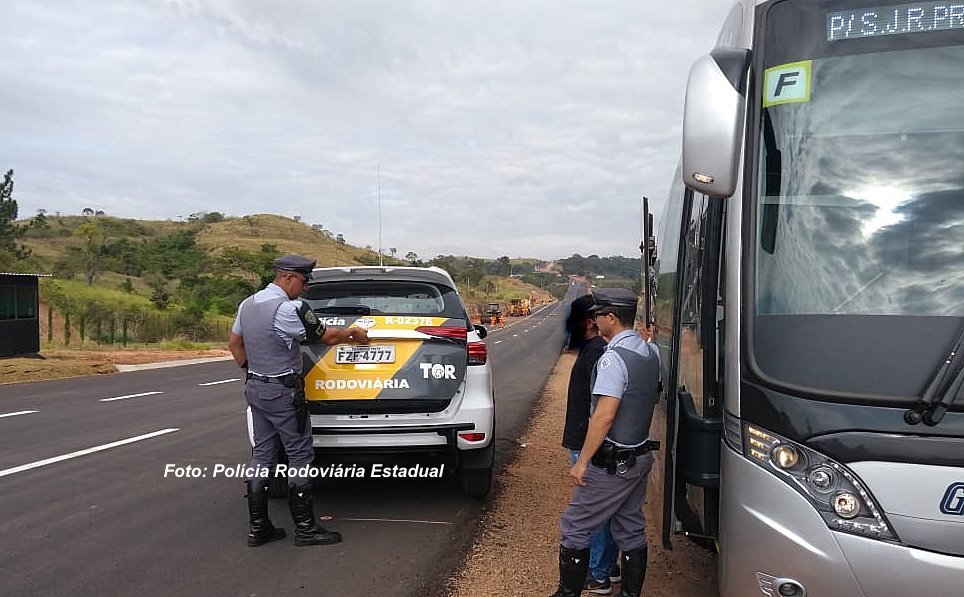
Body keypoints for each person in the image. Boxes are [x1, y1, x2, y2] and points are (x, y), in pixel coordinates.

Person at [228, 255, 369, 547]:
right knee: (299, 456)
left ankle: (259, 528)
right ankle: (305, 529)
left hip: (255, 388)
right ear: (288, 277)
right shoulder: (288, 309)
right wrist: (353, 332)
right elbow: (328, 338)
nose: (304, 288)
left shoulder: (248, 304)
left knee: (262, 455)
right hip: (283, 393)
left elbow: (235, 344)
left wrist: (255, 372)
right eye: (304, 282)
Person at [549, 288, 661, 597]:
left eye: (598, 315)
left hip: (614, 462)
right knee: (630, 527)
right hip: (639, 456)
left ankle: (569, 593)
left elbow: (604, 415)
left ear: (611, 318)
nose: (595, 320)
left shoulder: (613, 359)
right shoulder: (651, 352)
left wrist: (583, 462)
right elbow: (652, 397)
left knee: (575, 525)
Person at [562, 294, 620, 594]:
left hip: (588, 443)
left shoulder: (598, 353)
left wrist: (585, 454)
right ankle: (608, 566)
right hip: (585, 440)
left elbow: (602, 409)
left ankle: (598, 574)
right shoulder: (593, 350)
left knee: (593, 513)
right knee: (602, 511)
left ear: (588, 323)